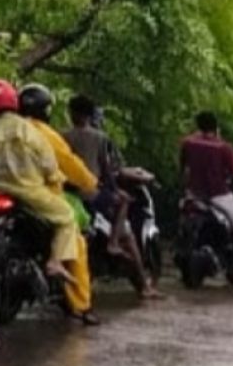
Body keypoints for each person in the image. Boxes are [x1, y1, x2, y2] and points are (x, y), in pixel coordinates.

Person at [0, 80, 79, 290]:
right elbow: (47, 162)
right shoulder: (26, 129)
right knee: (66, 217)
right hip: (30, 193)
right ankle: (55, 262)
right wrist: (56, 179)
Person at [17, 84, 103, 325]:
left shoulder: (0, 129)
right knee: (75, 239)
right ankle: (81, 304)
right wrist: (90, 182)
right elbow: (69, 163)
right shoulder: (44, 133)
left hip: (0, 193)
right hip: (40, 196)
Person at [63, 94, 164, 300]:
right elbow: (107, 170)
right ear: (91, 116)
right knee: (125, 210)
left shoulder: (61, 135)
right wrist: (115, 190)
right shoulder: (100, 138)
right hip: (91, 193)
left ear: (71, 113)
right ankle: (115, 245)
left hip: (68, 193)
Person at [180, 111, 233, 292]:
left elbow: (183, 167)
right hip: (219, 196)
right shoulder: (224, 148)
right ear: (216, 127)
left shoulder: (188, 143)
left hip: (194, 195)